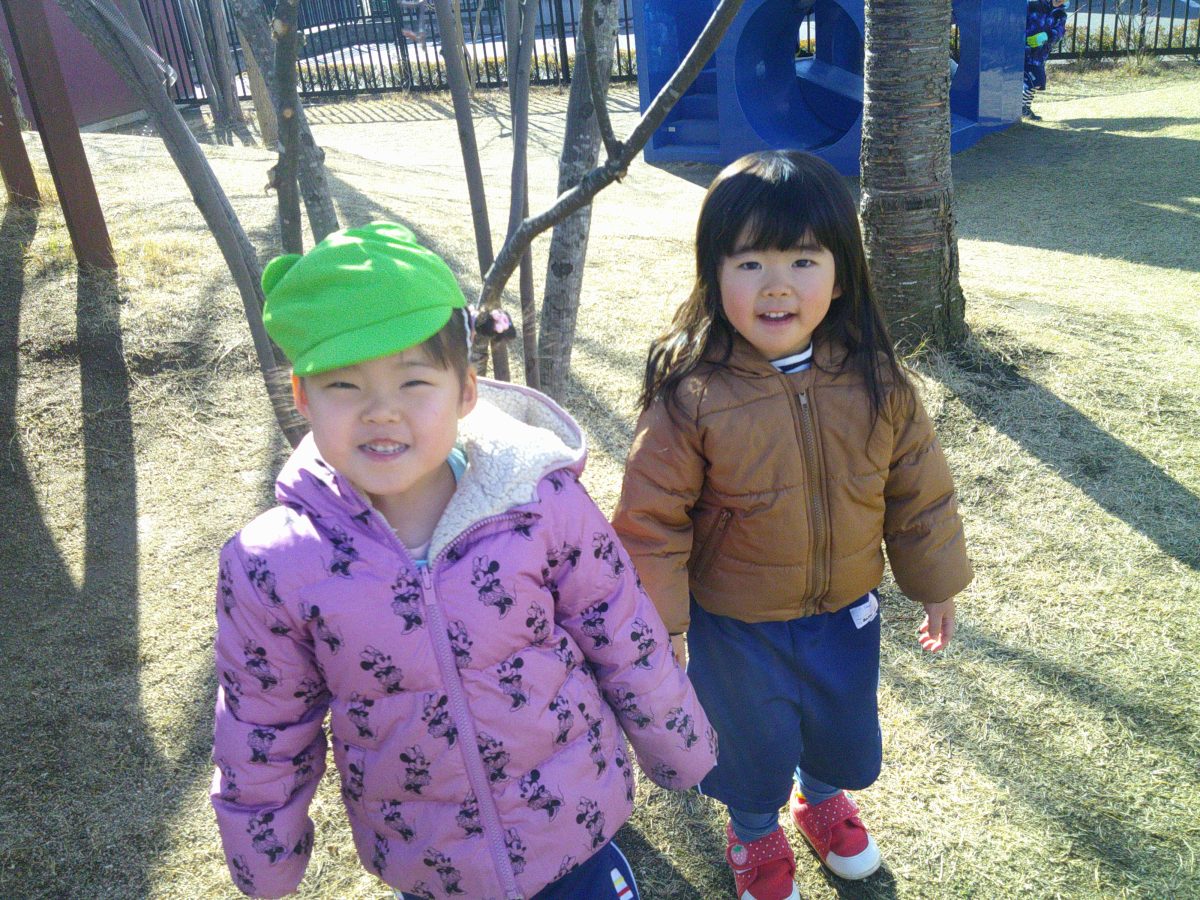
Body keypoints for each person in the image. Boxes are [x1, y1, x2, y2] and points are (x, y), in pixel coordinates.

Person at [210, 222, 716, 899]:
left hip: (574, 827)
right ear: (303, 398)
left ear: (466, 391)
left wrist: (679, 746)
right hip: (429, 862)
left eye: (414, 381)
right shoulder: (274, 566)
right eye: (344, 386)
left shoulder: (538, 501)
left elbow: (620, 627)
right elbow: (262, 722)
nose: (381, 412)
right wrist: (264, 856)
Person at [613, 152, 972, 900]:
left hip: (845, 608)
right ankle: (753, 833)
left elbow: (920, 491)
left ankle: (823, 801)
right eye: (750, 262)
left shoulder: (875, 377)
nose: (776, 285)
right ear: (714, 274)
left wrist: (937, 582)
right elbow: (651, 523)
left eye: (803, 260)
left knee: (839, 721)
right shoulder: (691, 393)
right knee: (750, 740)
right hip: (736, 622)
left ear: (840, 275)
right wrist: (663, 623)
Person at [1024, 0, 1069, 120]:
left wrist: (1047, 36)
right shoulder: (1034, 4)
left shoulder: (1060, 14)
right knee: (1031, 81)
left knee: (1037, 81)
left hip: (1039, 53)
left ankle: (1025, 107)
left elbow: (1059, 31)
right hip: (1023, 50)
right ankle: (1022, 107)